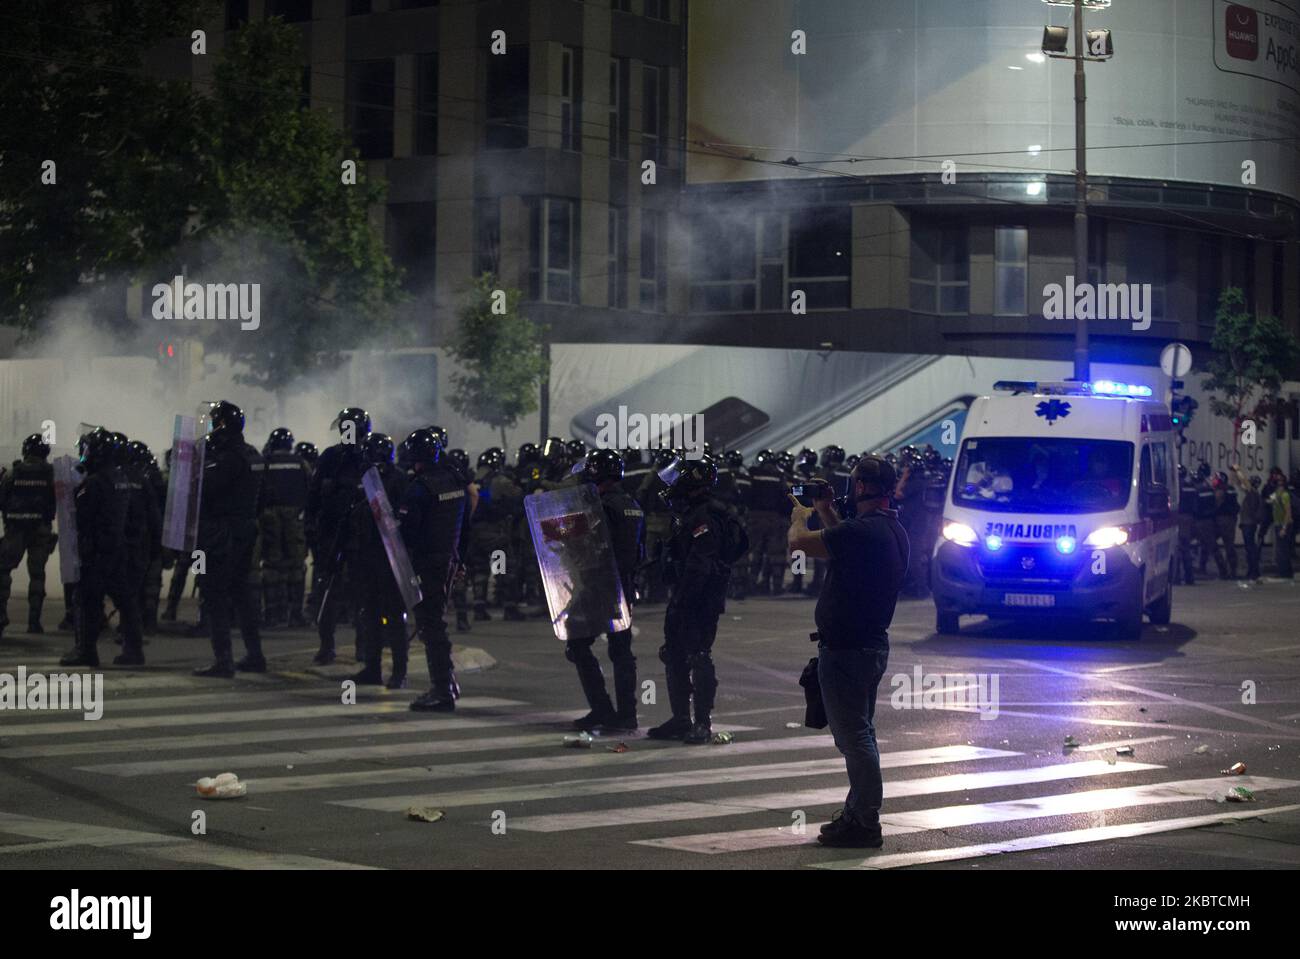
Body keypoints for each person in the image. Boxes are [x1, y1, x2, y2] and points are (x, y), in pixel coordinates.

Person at [786, 455, 908, 849]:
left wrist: (801, 515)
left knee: (854, 737)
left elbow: (799, 544)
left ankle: (865, 821)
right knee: (861, 732)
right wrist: (825, 508)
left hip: (847, 651)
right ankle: (857, 813)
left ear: (859, 487)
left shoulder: (865, 531)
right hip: (867, 646)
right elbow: (843, 546)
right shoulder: (888, 530)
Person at [649, 455, 743, 745]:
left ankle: (702, 723)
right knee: (674, 654)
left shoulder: (704, 516)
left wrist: (683, 601)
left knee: (698, 655)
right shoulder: (691, 512)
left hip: (699, 599)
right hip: (684, 594)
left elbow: (700, 565)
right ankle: (680, 719)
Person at [566, 449, 645, 732]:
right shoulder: (631, 503)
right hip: (624, 584)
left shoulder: (600, 506)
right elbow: (640, 549)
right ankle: (627, 714)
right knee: (621, 650)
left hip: (600, 585)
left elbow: (587, 544)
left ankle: (602, 709)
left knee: (576, 642)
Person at [399, 429, 471, 712]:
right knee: (435, 622)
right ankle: (447, 684)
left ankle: (442, 690)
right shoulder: (456, 482)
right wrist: (461, 560)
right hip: (448, 562)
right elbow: (465, 529)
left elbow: (408, 535)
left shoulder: (419, 488)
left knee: (431, 626)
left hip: (427, 565)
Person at [192, 401, 266, 677]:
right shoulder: (252, 454)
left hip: (222, 534)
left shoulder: (226, 458)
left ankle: (223, 660)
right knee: (241, 593)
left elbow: (205, 490)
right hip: (245, 531)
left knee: (214, 593)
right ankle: (255, 654)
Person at [60, 429, 133, 668]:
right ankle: (134, 649)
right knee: (125, 599)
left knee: (86, 600)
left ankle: (86, 651)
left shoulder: (93, 483)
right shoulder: (120, 478)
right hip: (117, 548)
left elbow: (80, 518)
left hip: (95, 551)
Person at [307, 408, 371, 665]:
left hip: (361, 536)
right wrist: (311, 526)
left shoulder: (369, 457)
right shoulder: (331, 457)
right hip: (332, 534)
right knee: (327, 591)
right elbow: (314, 495)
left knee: (362, 594)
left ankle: (364, 646)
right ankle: (326, 645)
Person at [349, 433, 411, 689]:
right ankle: (372, 669)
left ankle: (399, 672)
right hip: (368, 557)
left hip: (391, 558)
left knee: (394, 617)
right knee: (370, 615)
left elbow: (402, 519)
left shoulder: (398, 480)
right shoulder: (365, 481)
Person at [0, 433, 57, 640]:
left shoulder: (14, 472)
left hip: (15, 529)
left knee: (3, 571)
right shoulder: (51, 473)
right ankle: (34, 622)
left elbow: (2, 498)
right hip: (41, 528)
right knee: (38, 574)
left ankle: (1, 615)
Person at [259, 428, 311, 628]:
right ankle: (295, 614)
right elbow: (310, 490)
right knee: (296, 566)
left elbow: (259, 490)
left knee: (272, 565)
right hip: (295, 518)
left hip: (270, 517)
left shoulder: (265, 462)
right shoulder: (300, 463)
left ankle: (272, 613)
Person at [1231, 465, 1264, 582]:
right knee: (1250, 548)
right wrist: (1234, 473)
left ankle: (1253, 571)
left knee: (1250, 549)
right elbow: (1239, 484)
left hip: (1249, 524)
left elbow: (1243, 482)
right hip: (1249, 523)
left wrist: (1238, 470)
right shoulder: (1253, 494)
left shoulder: (1253, 493)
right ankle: (1253, 571)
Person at [1211, 471, 1239, 579]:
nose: (1213, 480)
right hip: (1230, 520)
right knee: (1229, 546)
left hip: (1221, 520)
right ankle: (1233, 571)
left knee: (1214, 544)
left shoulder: (1220, 491)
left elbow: (1215, 505)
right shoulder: (1231, 489)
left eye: (1215, 479)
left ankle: (1224, 571)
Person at [1267, 470, 1293, 580]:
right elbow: (1268, 501)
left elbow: (1288, 512)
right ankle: (1284, 572)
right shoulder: (1277, 493)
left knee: (1283, 550)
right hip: (1278, 523)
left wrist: (1284, 528)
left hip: (1283, 524)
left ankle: (1285, 572)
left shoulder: (1284, 494)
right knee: (1281, 550)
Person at [1176, 465, 1198, 585]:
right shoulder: (1191, 487)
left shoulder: (1175, 486)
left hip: (1178, 518)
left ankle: (1177, 577)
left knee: (1178, 548)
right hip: (1189, 518)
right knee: (1186, 548)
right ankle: (1189, 577)